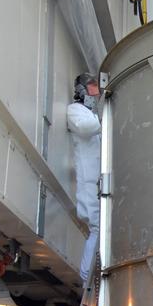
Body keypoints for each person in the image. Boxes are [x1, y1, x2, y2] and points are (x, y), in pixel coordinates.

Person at [67, 72, 102, 285]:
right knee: (96, 227)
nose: (95, 91)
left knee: (99, 227)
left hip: (97, 180)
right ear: (82, 90)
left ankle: (90, 273)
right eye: (92, 87)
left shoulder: (90, 115)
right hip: (88, 180)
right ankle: (86, 277)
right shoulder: (75, 111)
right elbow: (85, 129)